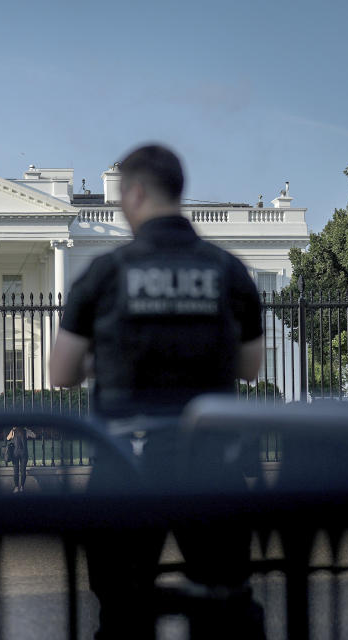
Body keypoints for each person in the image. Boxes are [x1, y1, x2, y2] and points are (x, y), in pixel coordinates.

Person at [49, 144, 264, 639]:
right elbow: (252, 367)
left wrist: (103, 353)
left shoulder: (105, 273)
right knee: (225, 605)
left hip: (126, 462)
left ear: (137, 193)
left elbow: (60, 373)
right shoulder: (228, 269)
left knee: (122, 611)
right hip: (212, 462)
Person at [5, 426, 36, 493]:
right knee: (23, 470)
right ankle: (22, 487)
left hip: (15, 453)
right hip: (24, 453)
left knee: (16, 471)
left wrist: (12, 430)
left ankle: (16, 487)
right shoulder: (26, 431)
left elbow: (7, 438)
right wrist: (27, 429)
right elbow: (34, 435)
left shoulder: (13, 431)